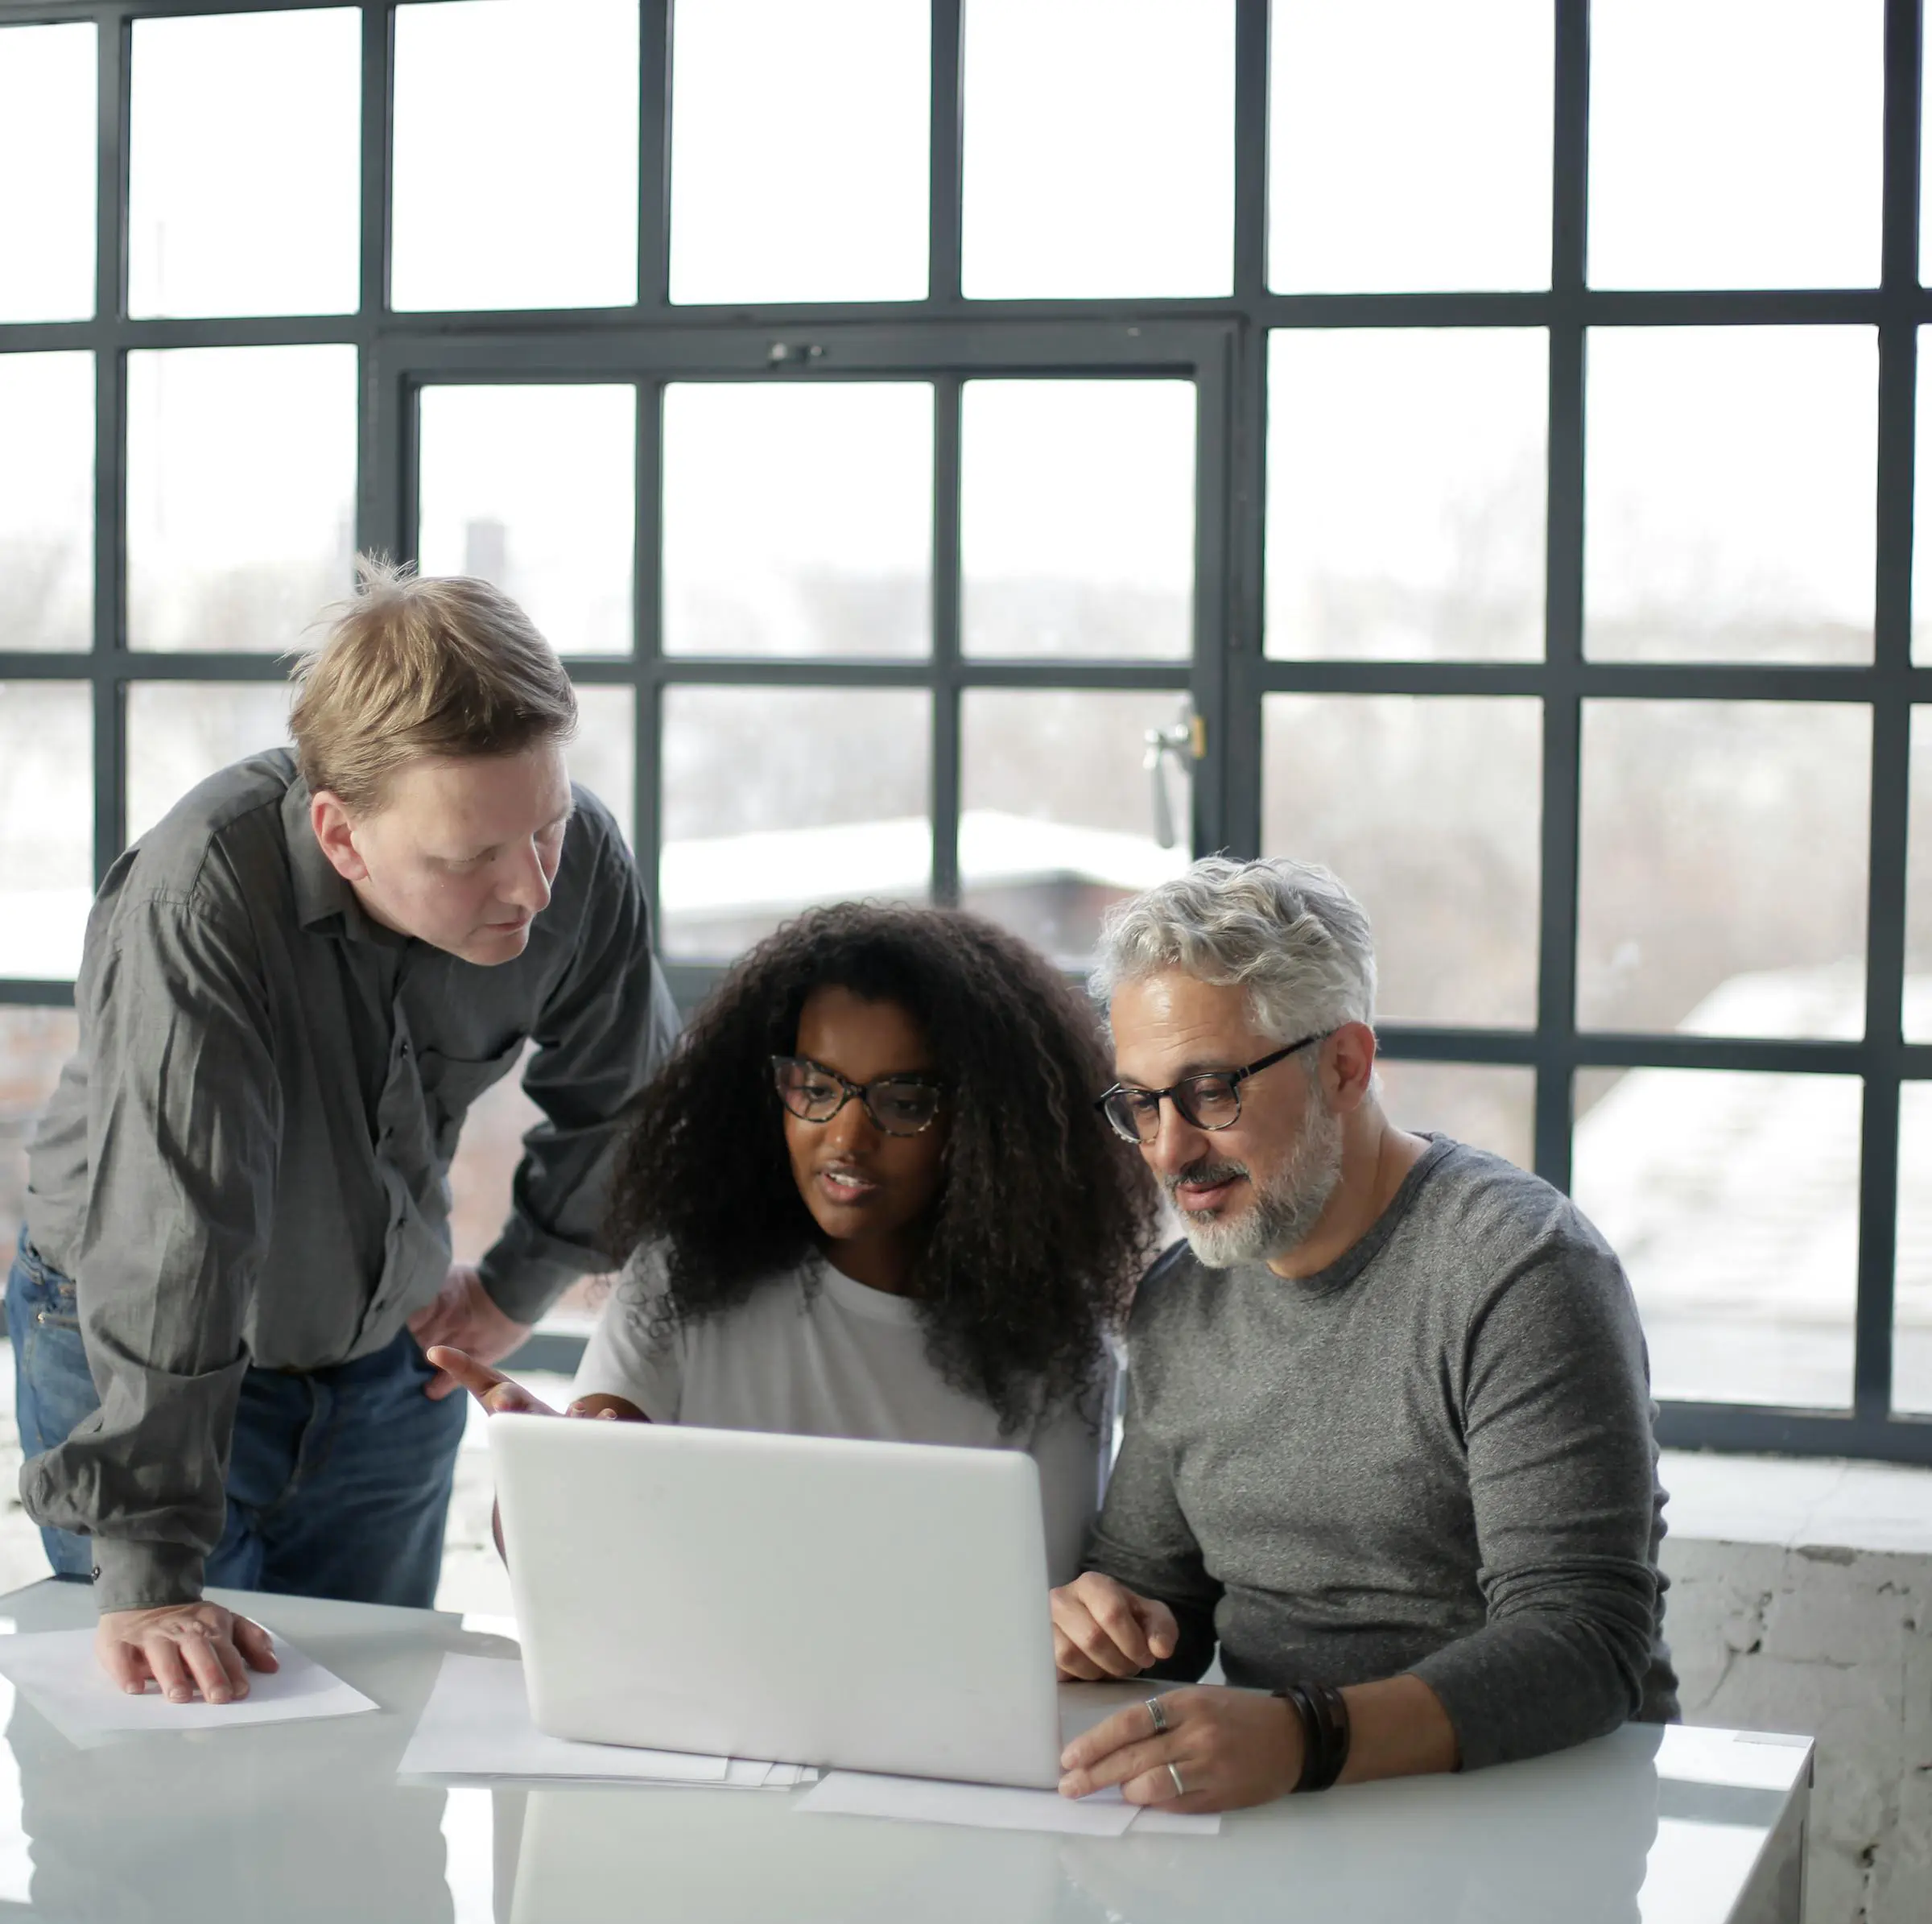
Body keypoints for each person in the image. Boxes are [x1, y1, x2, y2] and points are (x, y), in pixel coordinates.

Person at [9, 560, 679, 1705]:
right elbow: (179, 1233)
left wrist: (521, 1283)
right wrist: (150, 1568)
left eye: (548, 828)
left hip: (387, 1363)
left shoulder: (571, 861)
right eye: (468, 858)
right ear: (343, 834)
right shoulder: (201, 896)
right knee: (178, 1775)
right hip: (142, 1352)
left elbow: (627, 1099)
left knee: (378, 1759)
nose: (529, 886)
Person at [1051, 857, 1678, 1815]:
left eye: (1211, 1091)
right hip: (1294, 1802)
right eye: (1141, 1103)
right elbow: (1157, 1603)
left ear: (1344, 1064)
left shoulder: (1520, 1270)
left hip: (1541, 1805)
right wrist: (1103, 1626)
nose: (1169, 1151)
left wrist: (1307, 1734)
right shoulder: (1180, 1300)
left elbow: (1584, 1641)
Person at [432, 901, 1157, 1580]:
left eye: (903, 1103)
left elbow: (1051, 1614)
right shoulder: (679, 1279)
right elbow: (571, 1554)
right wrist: (547, 1475)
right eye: (814, 1090)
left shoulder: (1057, 1341)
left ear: (988, 1130)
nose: (845, 1139)